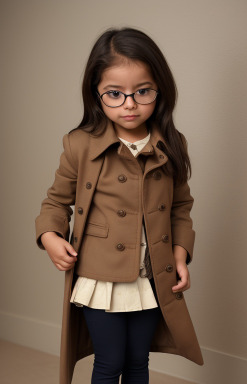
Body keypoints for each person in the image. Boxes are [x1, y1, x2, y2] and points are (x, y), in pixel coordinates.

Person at [35, 27, 203, 384]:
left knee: (138, 361)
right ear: (97, 94)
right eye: (115, 93)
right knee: (110, 363)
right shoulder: (80, 144)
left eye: (142, 91)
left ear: (160, 90)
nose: (130, 103)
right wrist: (50, 235)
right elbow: (55, 201)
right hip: (100, 274)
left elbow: (180, 206)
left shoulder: (171, 144)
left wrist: (179, 253)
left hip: (151, 274)